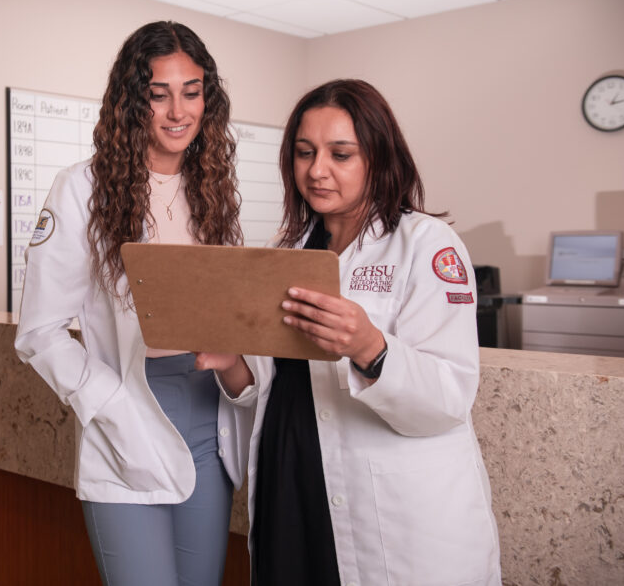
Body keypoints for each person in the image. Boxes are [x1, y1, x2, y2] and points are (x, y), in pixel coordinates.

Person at [198, 79, 501, 585]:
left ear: (379, 159)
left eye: (340, 154)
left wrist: (368, 347)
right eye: (304, 152)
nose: (317, 171)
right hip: (289, 486)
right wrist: (231, 364)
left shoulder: (426, 246)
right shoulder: (288, 252)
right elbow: (272, 387)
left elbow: (449, 397)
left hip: (384, 506)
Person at [14, 21, 251, 586]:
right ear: (131, 100)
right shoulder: (82, 189)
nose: (177, 110)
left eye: (191, 92)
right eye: (158, 93)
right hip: (128, 414)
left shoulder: (213, 189)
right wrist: (112, 407)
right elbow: (40, 332)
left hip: (205, 419)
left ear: (207, 98)